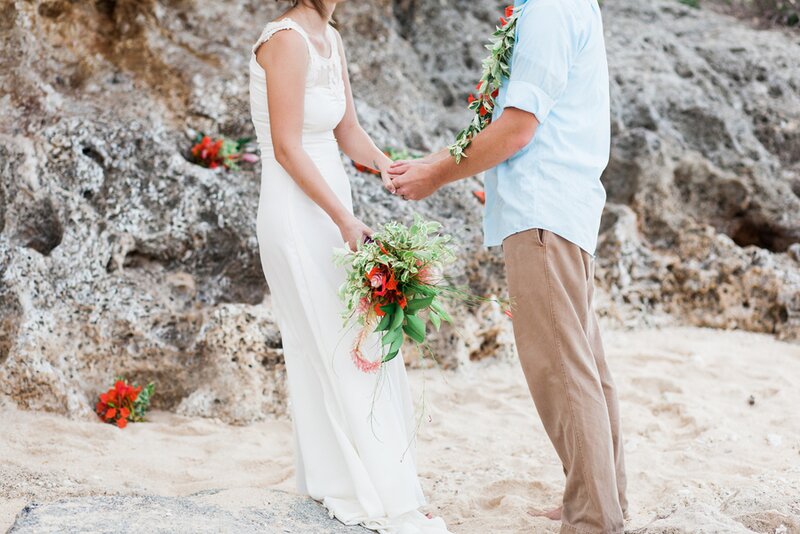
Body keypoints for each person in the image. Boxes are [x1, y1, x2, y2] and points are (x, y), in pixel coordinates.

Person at [388, 0, 628, 532]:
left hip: (544, 210)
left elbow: (518, 128)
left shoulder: (547, 9)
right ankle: (600, 500)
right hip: (558, 206)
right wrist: (468, 174)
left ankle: (593, 518)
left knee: (560, 366)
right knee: (583, 361)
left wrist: (434, 174)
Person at [248, 1, 450, 532]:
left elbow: (348, 130)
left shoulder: (329, 37)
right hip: (298, 211)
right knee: (332, 342)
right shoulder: (285, 39)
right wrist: (342, 217)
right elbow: (288, 149)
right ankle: (355, 484)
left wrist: (387, 165)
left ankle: (372, 476)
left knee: (356, 339)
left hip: (335, 202)